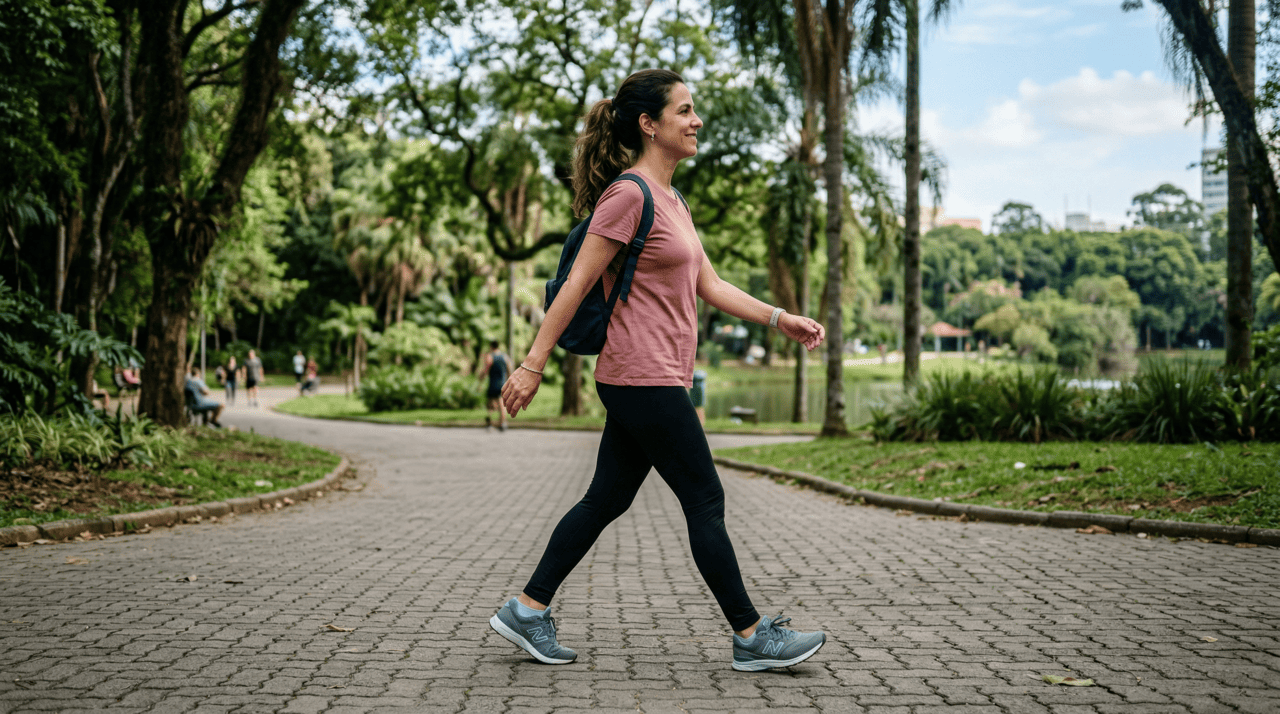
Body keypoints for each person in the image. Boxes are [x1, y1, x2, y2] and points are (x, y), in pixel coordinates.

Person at [489, 69, 828, 672]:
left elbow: (711, 284)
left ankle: (526, 608)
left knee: (605, 499)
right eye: (685, 111)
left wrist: (781, 318)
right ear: (649, 124)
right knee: (704, 497)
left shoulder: (672, 200)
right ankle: (752, 636)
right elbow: (573, 288)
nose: (696, 121)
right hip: (638, 375)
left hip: (658, 375)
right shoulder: (629, 196)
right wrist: (531, 365)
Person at [478, 340, 510, 431]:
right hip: (502, 383)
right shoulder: (505, 356)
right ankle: (502, 423)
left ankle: (490, 423)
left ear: (491, 346)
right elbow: (509, 369)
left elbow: (486, 369)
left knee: (490, 403)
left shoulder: (490, 356)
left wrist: (481, 377)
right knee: (501, 403)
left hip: (493, 383)